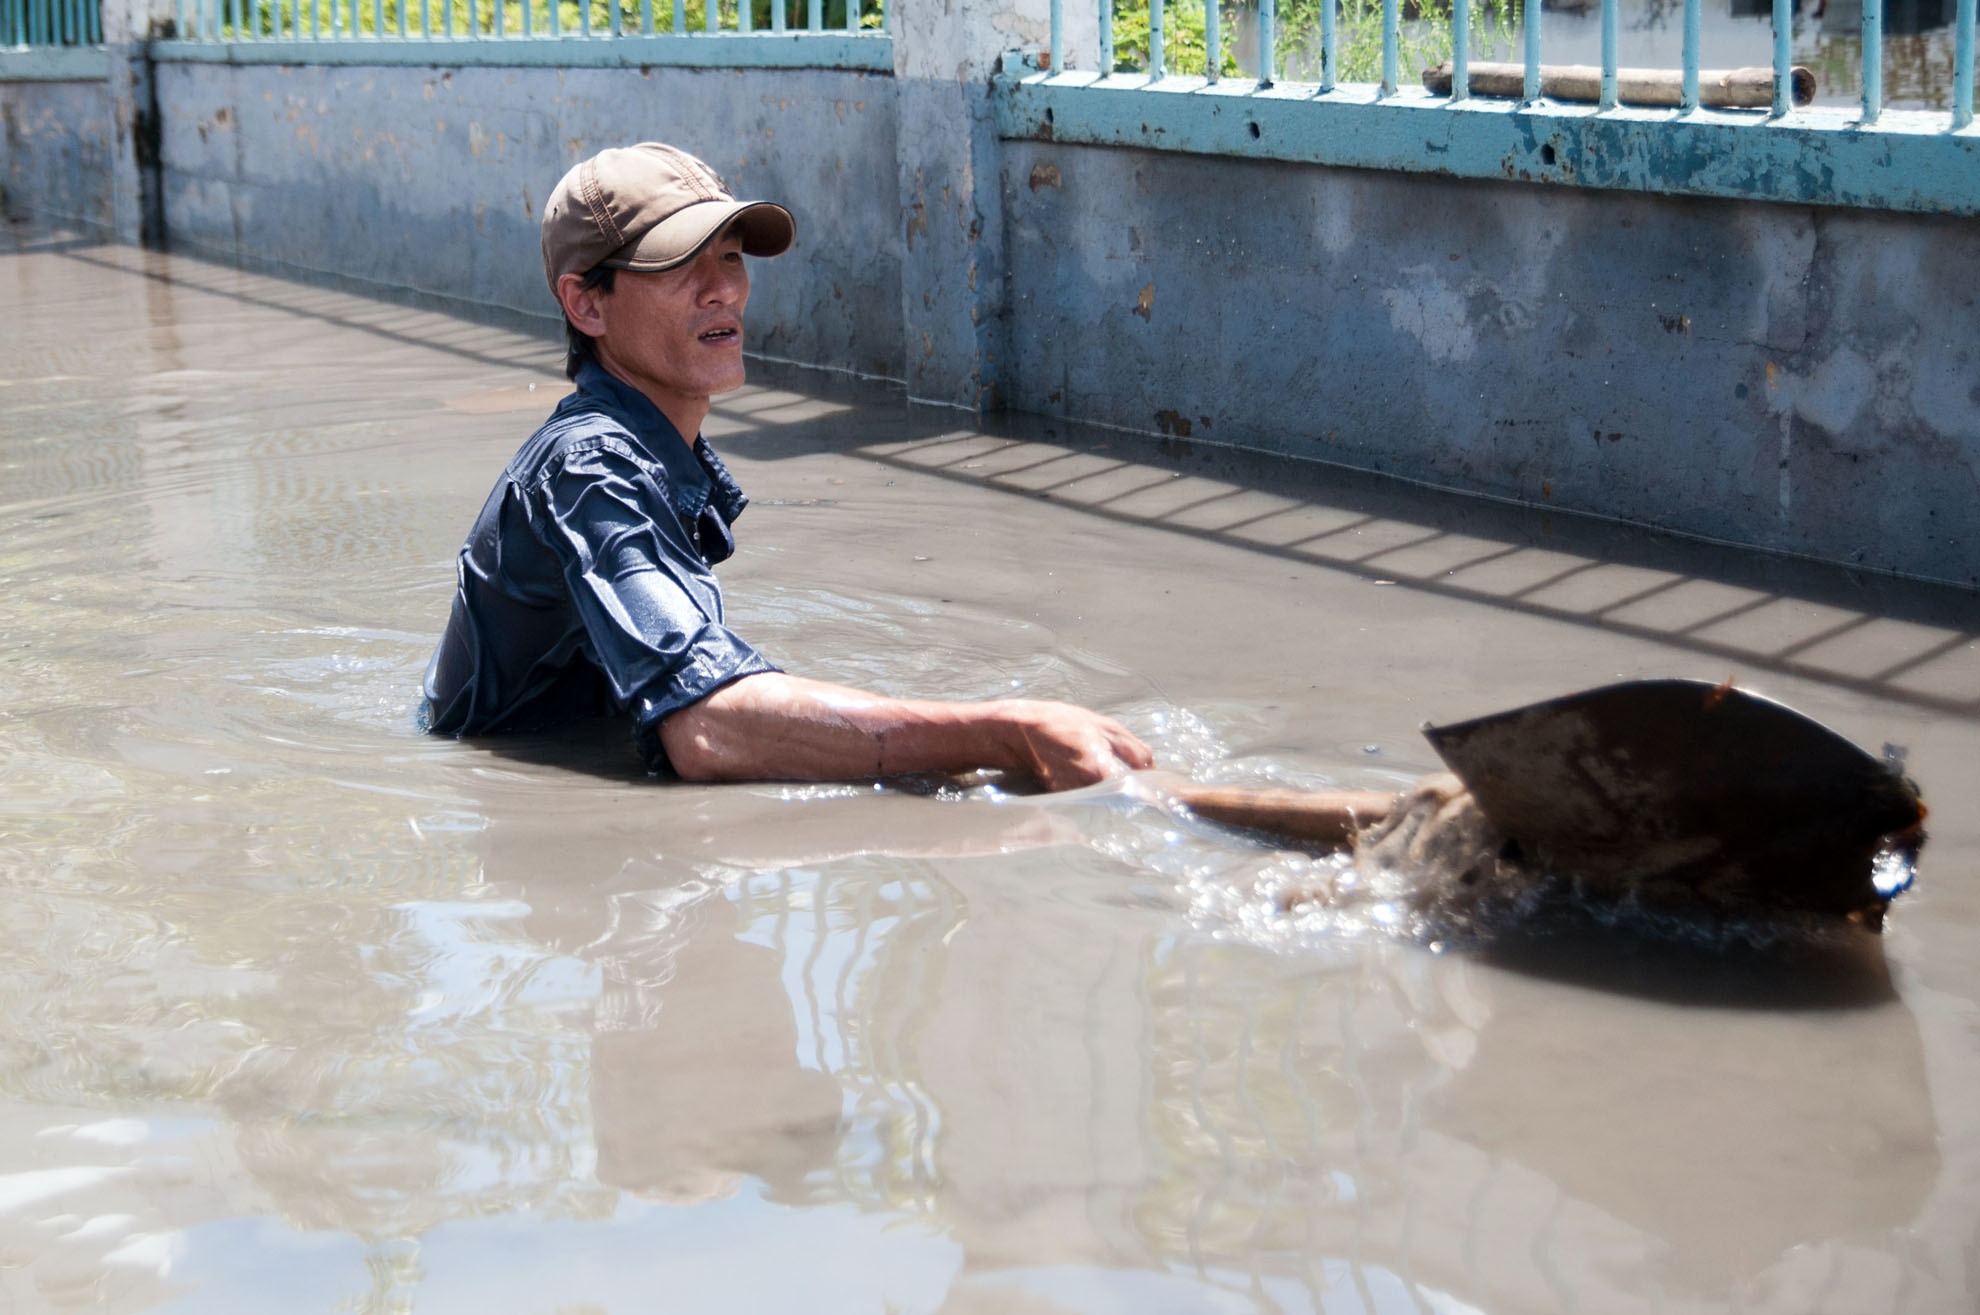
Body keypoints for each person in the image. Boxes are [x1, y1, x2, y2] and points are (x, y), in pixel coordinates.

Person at [423, 142, 1152, 791]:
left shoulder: (650, 452)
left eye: (732, 255)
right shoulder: (592, 466)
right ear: (587, 304)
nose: (725, 290)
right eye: (678, 262)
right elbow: (706, 728)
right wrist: (1006, 730)